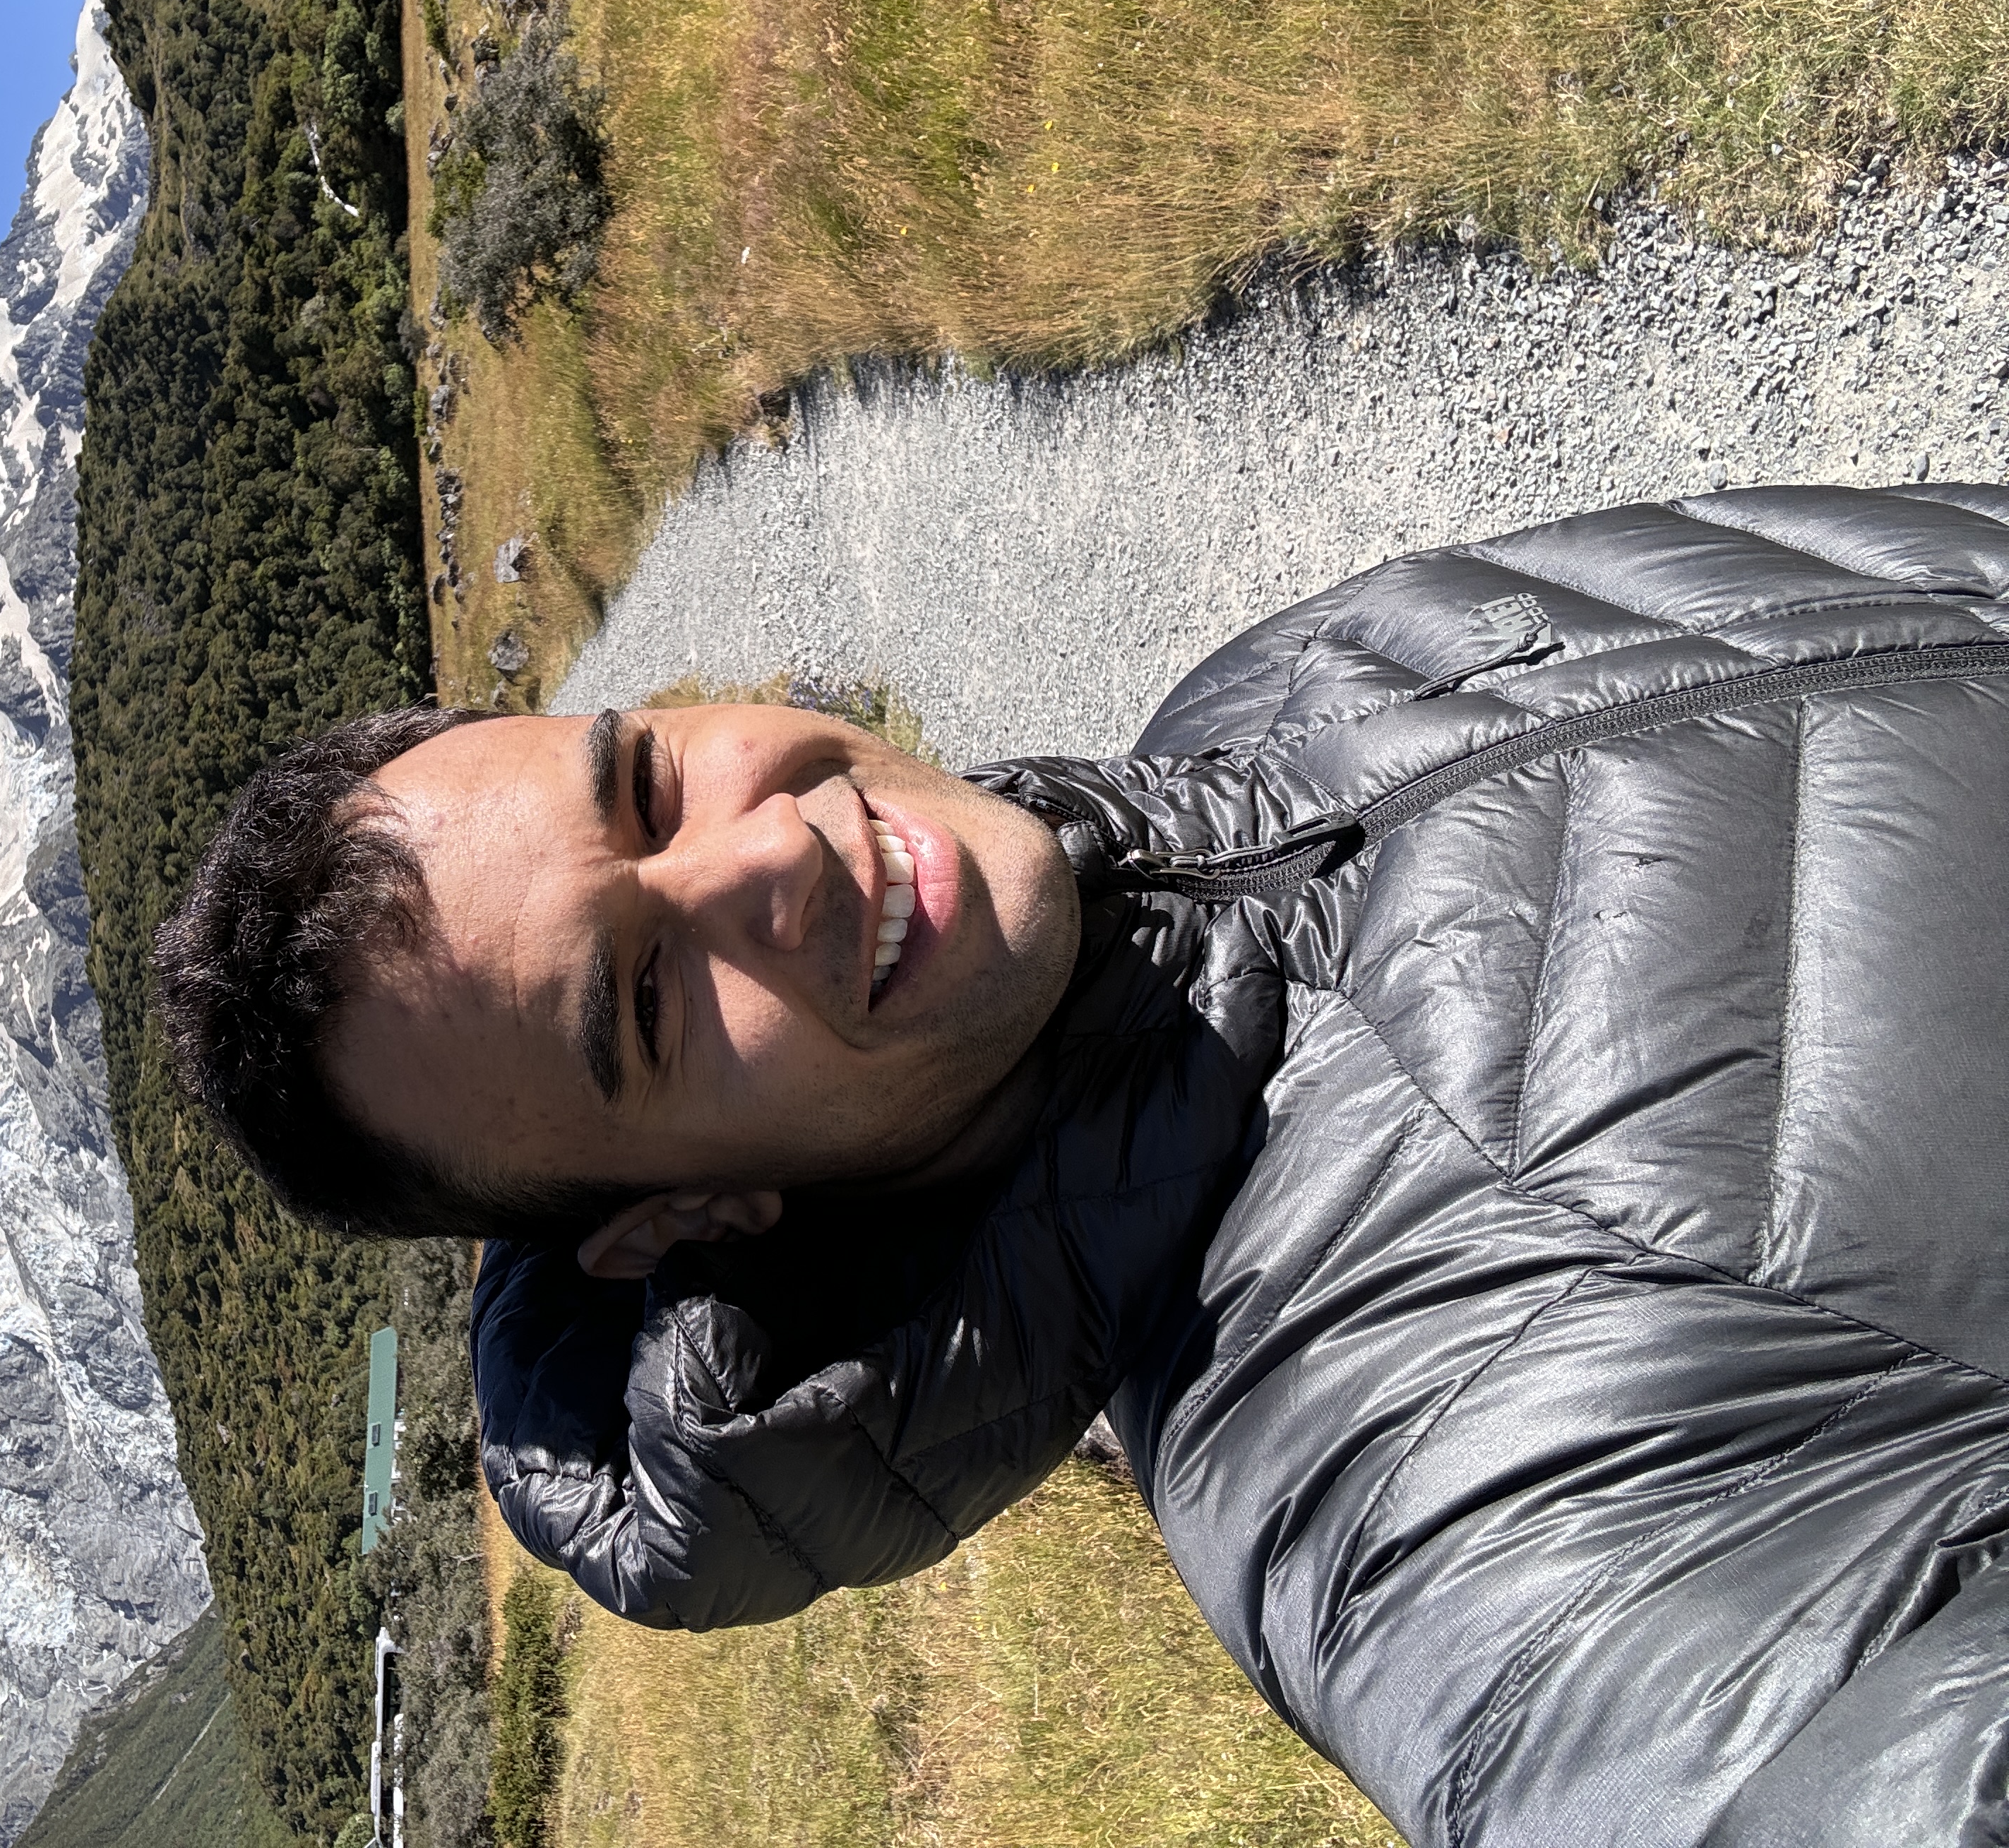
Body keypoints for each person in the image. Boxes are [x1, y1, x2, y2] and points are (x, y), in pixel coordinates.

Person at [155, 484, 2009, 1848]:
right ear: (683, 1220)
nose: (759, 862)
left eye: (646, 788)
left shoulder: (1274, 690)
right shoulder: (1380, 1468)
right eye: (647, 1006)